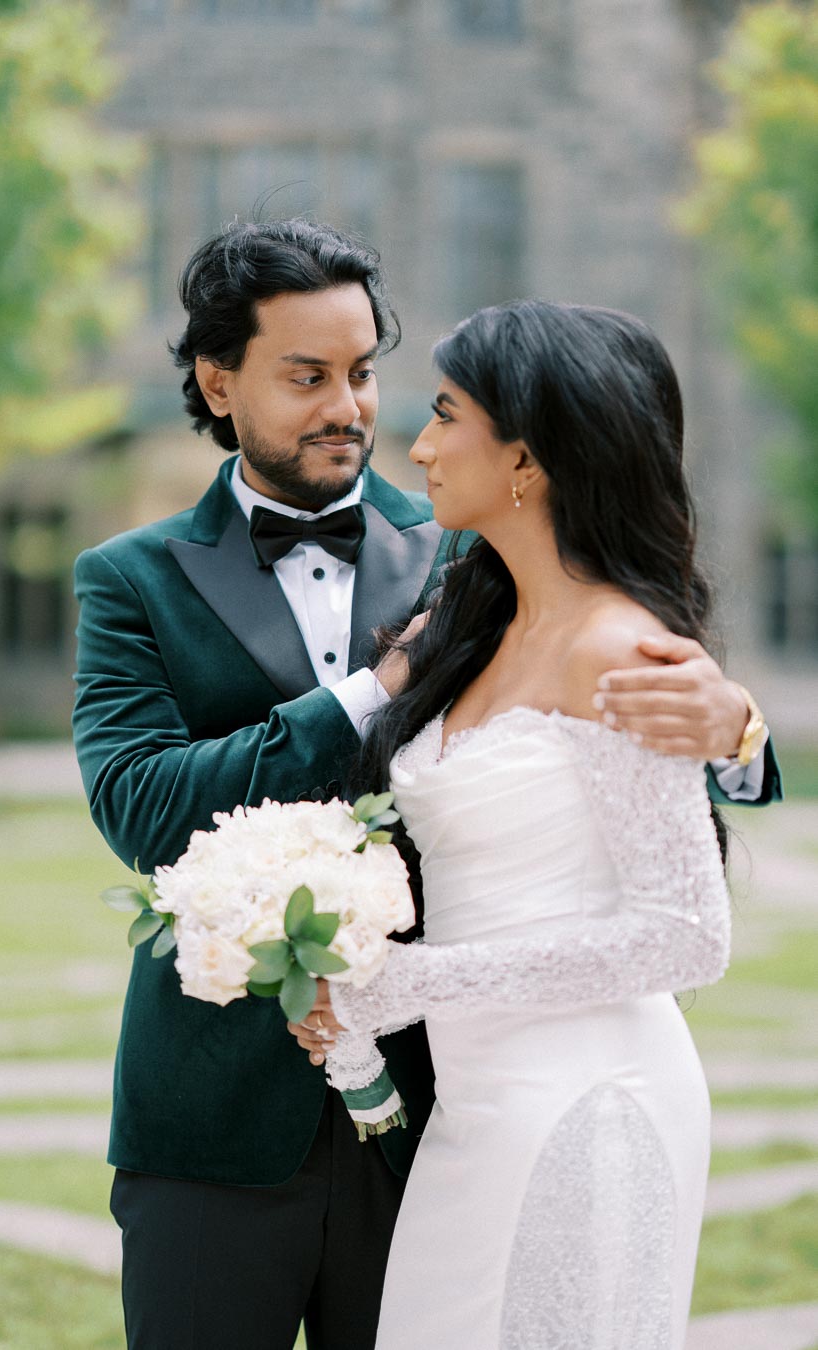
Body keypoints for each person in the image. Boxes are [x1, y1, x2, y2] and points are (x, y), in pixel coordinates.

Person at [72, 221, 778, 1350]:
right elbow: (144, 809)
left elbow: (623, 693)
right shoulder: (128, 579)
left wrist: (738, 729)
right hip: (210, 1117)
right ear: (218, 381)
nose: (351, 408)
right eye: (307, 376)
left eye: (363, 372)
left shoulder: (472, 548)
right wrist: (374, 689)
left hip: (437, 1101)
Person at [290, 300, 780, 1349]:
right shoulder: (479, 621)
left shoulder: (620, 650)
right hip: (479, 1104)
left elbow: (687, 936)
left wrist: (410, 983)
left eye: (444, 414)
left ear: (527, 458)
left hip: (588, 1099)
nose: (418, 446)